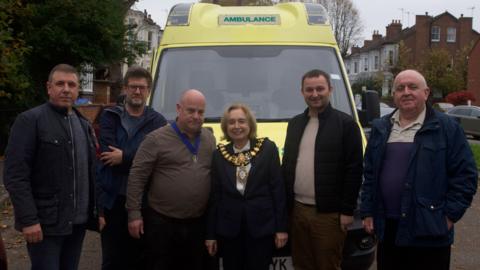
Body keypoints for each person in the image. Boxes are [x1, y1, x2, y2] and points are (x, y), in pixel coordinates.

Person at [360, 69, 478, 270]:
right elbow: (370, 174)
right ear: (394, 95)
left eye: (413, 87)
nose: (406, 92)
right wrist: (368, 211)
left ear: (426, 92)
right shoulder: (381, 128)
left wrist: (449, 216)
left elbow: (465, 177)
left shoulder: (447, 128)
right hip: (388, 229)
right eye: (400, 88)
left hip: (429, 229)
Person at [3, 64, 98, 270]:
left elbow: (89, 172)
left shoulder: (83, 124)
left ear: (78, 89)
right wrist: (29, 220)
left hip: (77, 224)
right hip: (45, 225)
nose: (66, 89)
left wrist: (98, 212)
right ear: (49, 87)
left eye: (71, 84)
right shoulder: (30, 121)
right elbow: (15, 175)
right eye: (60, 83)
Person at [282, 69, 363, 270]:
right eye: (309, 89)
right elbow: (288, 166)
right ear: (302, 92)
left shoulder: (346, 125)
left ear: (330, 90)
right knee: (302, 264)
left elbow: (354, 170)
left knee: (327, 265)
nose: (315, 94)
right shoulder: (295, 124)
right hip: (298, 211)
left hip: (329, 216)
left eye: (320, 88)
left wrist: (347, 210)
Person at [126, 89, 216, 270]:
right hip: (162, 224)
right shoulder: (155, 139)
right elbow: (137, 176)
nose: (196, 116)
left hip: (197, 223)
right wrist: (134, 214)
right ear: (178, 109)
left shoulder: (209, 139)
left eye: (201, 112)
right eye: (191, 111)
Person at [97, 66, 167, 270]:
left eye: (142, 88)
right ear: (125, 89)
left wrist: (125, 156)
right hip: (114, 198)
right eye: (133, 87)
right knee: (113, 259)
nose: (137, 92)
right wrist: (139, 158)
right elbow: (108, 156)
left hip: (145, 201)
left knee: (142, 258)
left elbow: (157, 159)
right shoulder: (109, 116)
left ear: (148, 91)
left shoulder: (158, 121)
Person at [205, 103, 288, 270]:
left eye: (241, 121)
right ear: (225, 127)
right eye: (231, 122)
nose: (237, 126)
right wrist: (210, 235)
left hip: (261, 228)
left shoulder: (267, 148)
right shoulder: (219, 155)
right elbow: (214, 197)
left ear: (250, 124)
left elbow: (278, 190)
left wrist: (282, 229)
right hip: (229, 231)